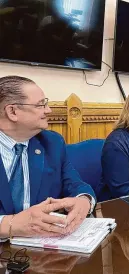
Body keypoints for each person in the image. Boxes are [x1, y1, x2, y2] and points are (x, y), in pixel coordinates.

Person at [0, 76, 95, 240]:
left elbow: (75, 184)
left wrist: (84, 201)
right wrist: (10, 224)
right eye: (41, 104)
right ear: (12, 112)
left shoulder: (52, 142)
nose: (48, 110)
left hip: (43, 252)